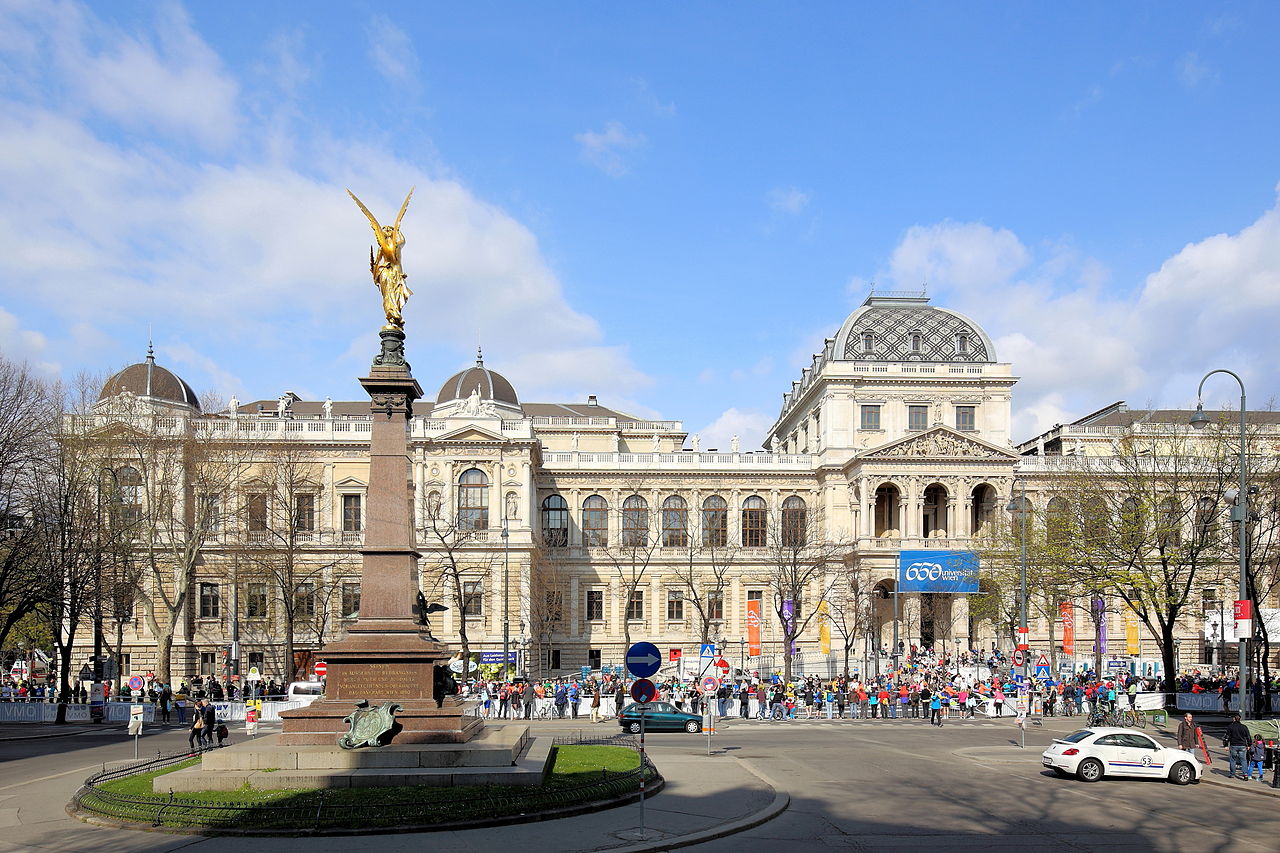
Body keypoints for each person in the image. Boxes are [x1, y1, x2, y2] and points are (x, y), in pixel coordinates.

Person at [1222, 713, 1252, 779]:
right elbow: (1248, 736)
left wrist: (1226, 745)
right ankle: (1245, 774)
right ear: (1240, 719)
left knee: (1233, 760)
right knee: (1243, 760)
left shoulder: (1230, 727)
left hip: (1234, 745)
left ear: (1234, 719)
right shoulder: (1244, 727)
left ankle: (1232, 774)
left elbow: (1227, 737)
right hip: (1242, 745)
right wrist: (1249, 744)